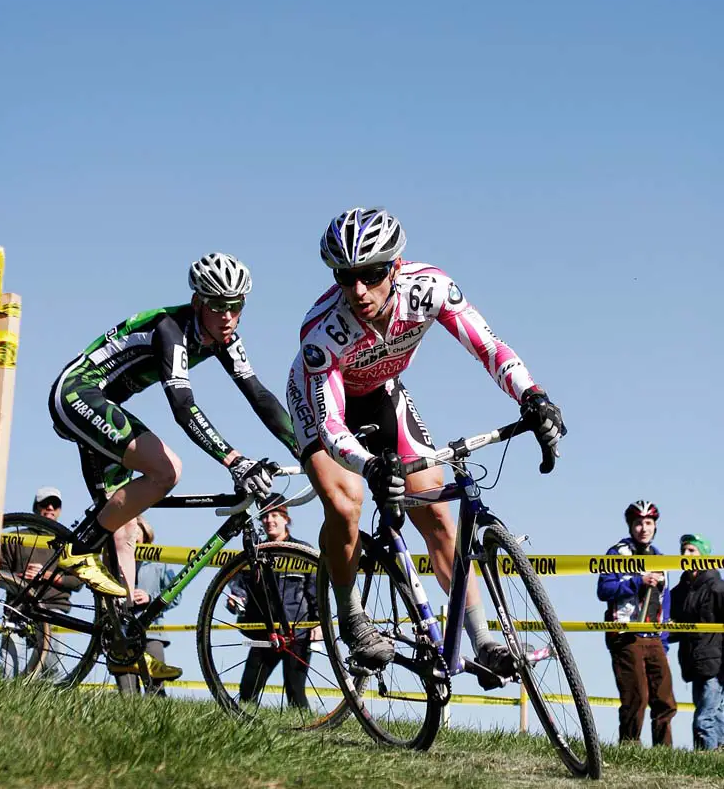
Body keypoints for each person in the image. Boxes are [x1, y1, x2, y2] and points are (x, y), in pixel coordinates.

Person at [286, 206, 565, 672]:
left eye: (371, 274)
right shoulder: (323, 331)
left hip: (381, 392)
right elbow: (333, 425)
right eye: (345, 277)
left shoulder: (429, 288)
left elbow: (489, 347)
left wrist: (532, 395)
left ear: (394, 266)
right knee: (346, 501)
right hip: (322, 407)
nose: (358, 291)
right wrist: (370, 465)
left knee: (435, 508)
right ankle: (351, 615)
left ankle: (482, 640)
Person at [48, 253, 299, 610]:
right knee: (167, 471)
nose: (227, 316)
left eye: (236, 305)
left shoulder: (225, 338)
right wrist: (234, 459)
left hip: (107, 404)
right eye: (216, 305)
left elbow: (259, 396)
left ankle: (125, 644)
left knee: (125, 529)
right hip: (78, 393)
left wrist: (306, 448)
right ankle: (79, 548)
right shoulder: (171, 330)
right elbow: (183, 407)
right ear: (198, 302)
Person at [226, 493, 318, 708]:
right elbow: (240, 586)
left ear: (286, 519)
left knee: (295, 691)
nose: (269, 520)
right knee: (247, 690)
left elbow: (316, 592)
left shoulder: (302, 551)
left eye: (275, 515)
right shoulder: (255, 553)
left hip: (298, 631)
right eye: (265, 516)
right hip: (263, 630)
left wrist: (319, 622)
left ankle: (303, 732)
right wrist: (236, 599)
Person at [597, 500, 677, 746]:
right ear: (631, 526)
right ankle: (630, 747)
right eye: (638, 523)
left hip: (654, 637)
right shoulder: (617, 553)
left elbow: (666, 600)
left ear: (655, 526)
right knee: (636, 697)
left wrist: (663, 640)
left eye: (648, 523)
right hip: (625, 634)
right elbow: (604, 590)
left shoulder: (661, 558)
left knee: (665, 700)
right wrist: (637, 582)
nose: (644, 528)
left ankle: (665, 753)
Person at [0, 487, 83, 677]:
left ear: (60, 509)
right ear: (35, 507)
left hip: (53, 608)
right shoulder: (14, 537)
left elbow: (78, 581)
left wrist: (50, 576)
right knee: (8, 669)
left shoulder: (66, 541)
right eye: (45, 503)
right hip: (18, 607)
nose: (50, 507)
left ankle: (48, 702)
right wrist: (18, 577)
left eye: (55, 504)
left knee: (51, 668)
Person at [109, 515, 183, 694]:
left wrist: (150, 598)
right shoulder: (112, 563)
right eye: (129, 536)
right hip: (122, 633)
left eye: (137, 536)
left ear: (146, 539)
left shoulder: (160, 565)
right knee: (126, 692)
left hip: (152, 634)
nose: (133, 539)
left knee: (156, 690)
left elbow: (176, 595)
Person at [669, 534, 724, 750]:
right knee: (716, 716)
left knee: (704, 720)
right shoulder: (681, 590)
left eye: (692, 550)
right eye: (683, 549)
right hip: (693, 663)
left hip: (715, 664)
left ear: (704, 555)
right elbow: (674, 626)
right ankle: (717, 763)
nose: (685, 554)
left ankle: (705, 762)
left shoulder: (717, 588)